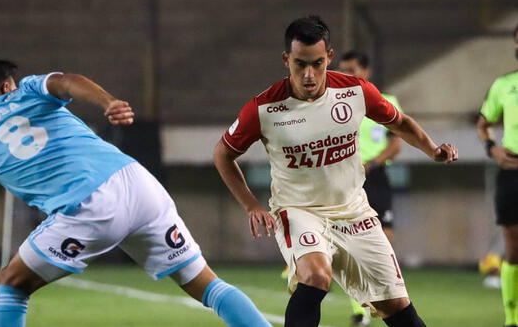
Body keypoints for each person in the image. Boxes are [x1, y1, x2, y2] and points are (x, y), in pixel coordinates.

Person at [0, 58, 272, 327]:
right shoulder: (27, 90)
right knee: (206, 285)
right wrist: (107, 102)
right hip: (137, 182)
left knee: (12, 282)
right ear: (6, 84)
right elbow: (68, 82)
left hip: (87, 206)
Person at [213, 16, 458, 327]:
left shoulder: (356, 91)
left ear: (329, 56)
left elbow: (400, 123)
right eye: (300, 64)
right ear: (286, 59)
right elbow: (223, 154)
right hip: (299, 210)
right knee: (316, 276)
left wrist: (433, 150)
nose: (309, 74)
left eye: (317, 63)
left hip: (355, 212)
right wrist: (250, 205)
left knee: (396, 304)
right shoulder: (264, 108)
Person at [339, 50, 403, 326]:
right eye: (343, 70)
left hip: (376, 177)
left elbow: (396, 144)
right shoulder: (335, 104)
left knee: (383, 245)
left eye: (352, 70)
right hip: (346, 180)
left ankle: (389, 302)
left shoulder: (385, 102)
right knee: (351, 244)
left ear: (366, 72)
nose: (347, 76)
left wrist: (373, 163)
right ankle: (359, 310)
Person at [477, 23, 518, 327]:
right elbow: (483, 123)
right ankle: (512, 319)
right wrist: (492, 148)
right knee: (513, 246)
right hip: (511, 171)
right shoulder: (504, 85)